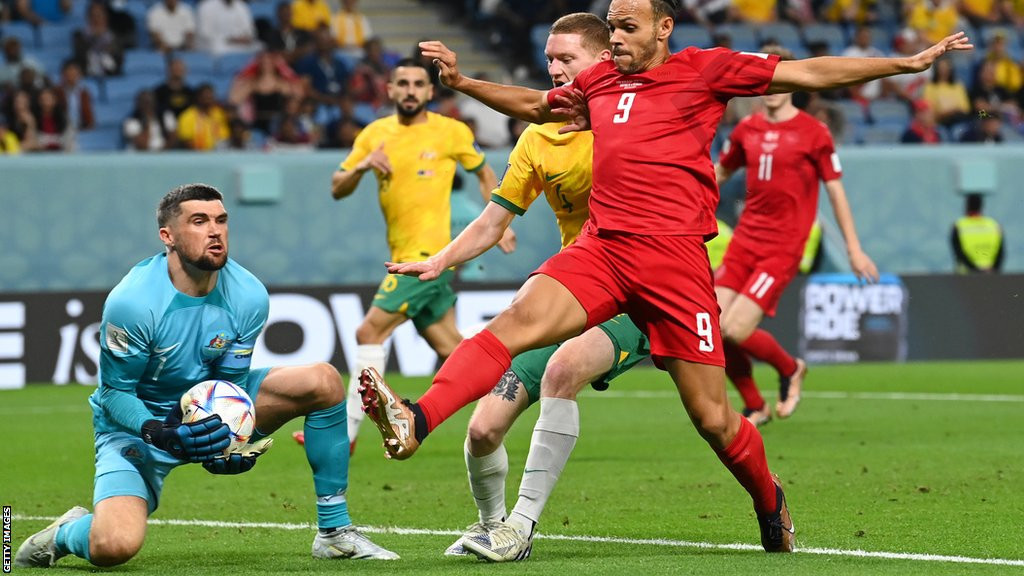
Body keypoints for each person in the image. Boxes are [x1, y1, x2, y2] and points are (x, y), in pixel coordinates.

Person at [359, 0, 970, 561]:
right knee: (517, 325)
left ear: (663, 28)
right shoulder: (598, 82)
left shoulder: (707, 70)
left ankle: (768, 498)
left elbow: (807, 73)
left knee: (713, 420)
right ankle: (418, 419)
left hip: (675, 267)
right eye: (612, 26)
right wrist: (463, 84)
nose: (617, 39)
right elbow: (534, 106)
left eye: (627, 27)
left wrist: (905, 63)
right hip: (603, 249)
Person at [13, 184, 398, 570]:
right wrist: (157, 430)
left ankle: (334, 532)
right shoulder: (133, 303)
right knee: (114, 546)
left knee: (323, 380)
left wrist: (230, 442)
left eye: (221, 220)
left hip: (204, 406)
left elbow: (228, 385)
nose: (215, 231)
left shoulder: (248, 294)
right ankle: (65, 532)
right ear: (168, 236)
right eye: (199, 221)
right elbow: (115, 393)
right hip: (139, 425)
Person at [388, 13, 650, 558]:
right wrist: (440, 261)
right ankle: (492, 525)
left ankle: (521, 528)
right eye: (550, 60)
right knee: (484, 428)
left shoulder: (635, 117)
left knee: (564, 370)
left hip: (640, 291)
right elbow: (492, 221)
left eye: (566, 60)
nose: (554, 70)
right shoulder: (538, 138)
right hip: (575, 288)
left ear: (603, 61)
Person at [327, 57, 507, 452]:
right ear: (390, 90)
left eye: (417, 84)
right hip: (407, 254)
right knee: (452, 349)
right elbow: (337, 186)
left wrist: (500, 220)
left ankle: (348, 432)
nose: (409, 90)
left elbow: (483, 171)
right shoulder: (375, 134)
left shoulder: (450, 132)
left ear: (429, 91)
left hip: (428, 257)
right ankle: (510, 394)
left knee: (367, 331)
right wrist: (361, 167)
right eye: (402, 83)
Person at [714, 44, 879, 426]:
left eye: (779, 73)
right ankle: (755, 405)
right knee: (711, 324)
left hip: (783, 247)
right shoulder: (746, 130)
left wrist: (854, 249)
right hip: (745, 242)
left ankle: (790, 368)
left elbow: (836, 191)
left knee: (735, 329)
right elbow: (720, 174)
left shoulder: (813, 132)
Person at [951, 192, 1004, 273]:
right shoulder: (994, 225)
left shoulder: (959, 226)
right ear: (981, 207)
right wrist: (993, 271)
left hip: (965, 278)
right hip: (990, 277)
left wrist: (975, 270)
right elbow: (1001, 253)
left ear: (966, 207)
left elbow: (958, 252)